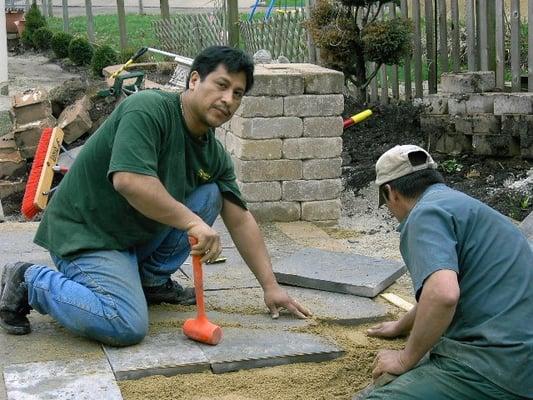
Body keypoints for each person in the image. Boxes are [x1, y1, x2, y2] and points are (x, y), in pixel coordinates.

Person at [0, 46, 311, 346]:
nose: (228, 99)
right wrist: (191, 223)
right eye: (221, 85)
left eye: (238, 94)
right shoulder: (148, 109)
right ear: (194, 80)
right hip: (87, 236)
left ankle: (150, 282)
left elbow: (241, 219)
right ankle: (29, 281)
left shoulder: (212, 152)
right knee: (125, 324)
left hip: (130, 237)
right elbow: (129, 181)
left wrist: (270, 287)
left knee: (211, 193)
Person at [364, 145, 533, 400]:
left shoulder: (424, 215)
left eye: (386, 202)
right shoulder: (461, 206)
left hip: (498, 368)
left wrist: (403, 358)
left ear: (390, 192)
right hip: (521, 354)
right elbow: (445, 288)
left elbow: (443, 295)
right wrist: (402, 325)